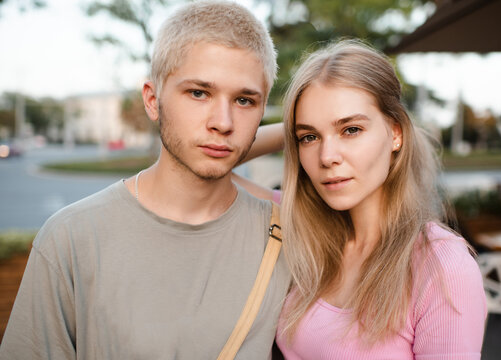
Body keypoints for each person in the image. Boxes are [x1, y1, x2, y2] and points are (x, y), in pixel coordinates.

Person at [0, 2, 290, 359]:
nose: (223, 122)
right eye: (199, 93)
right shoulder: (72, 237)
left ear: (262, 110)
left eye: (245, 100)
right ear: (153, 101)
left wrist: (299, 129)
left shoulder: (288, 237)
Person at [241, 40, 487, 359]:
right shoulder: (304, 229)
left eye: (351, 129)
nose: (327, 157)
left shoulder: (441, 268)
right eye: (309, 137)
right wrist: (289, 129)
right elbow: (213, 168)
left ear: (395, 132)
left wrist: (311, 128)